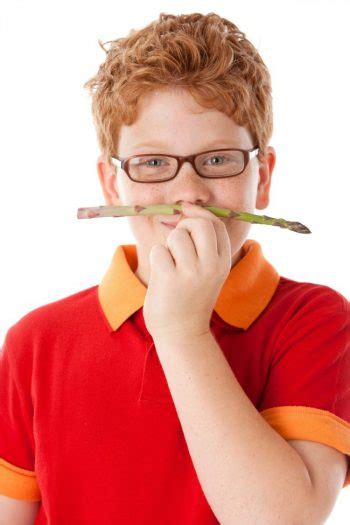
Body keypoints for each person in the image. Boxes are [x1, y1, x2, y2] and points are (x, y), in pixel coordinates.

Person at [0, 11, 349, 525]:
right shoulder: (36, 342)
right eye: (154, 164)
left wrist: (181, 330)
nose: (188, 193)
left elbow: (278, 519)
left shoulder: (315, 322)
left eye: (217, 160)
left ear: (264, 175)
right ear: (111, 185)